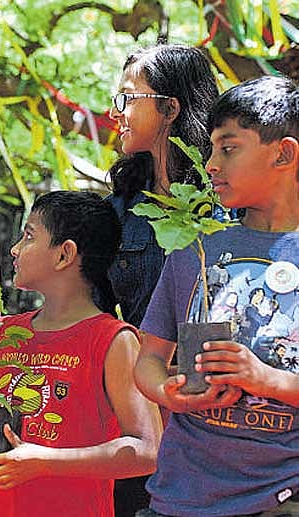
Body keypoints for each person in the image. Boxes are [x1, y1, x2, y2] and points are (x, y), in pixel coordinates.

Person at [133, 75, 299, 516]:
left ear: (284, 153)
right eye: (210, 149)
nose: (210, 164)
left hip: (280, 498)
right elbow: (149, 358)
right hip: (178, 496)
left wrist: (268, 381)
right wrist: (167, 393)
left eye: (228, 148)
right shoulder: (195, 247)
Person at [0, 191, 162, 517]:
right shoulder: (3, 334)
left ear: (65, 254)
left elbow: (147, 449)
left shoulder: (113, 340)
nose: (15, 249)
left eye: (29, 236)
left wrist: (45, 462)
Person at [105, 44, 218, 516]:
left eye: (129, 98)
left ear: (170, 107)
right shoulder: (119, 211)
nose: (119, 113)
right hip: (141, 418)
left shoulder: (231, 206)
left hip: (220, 420)